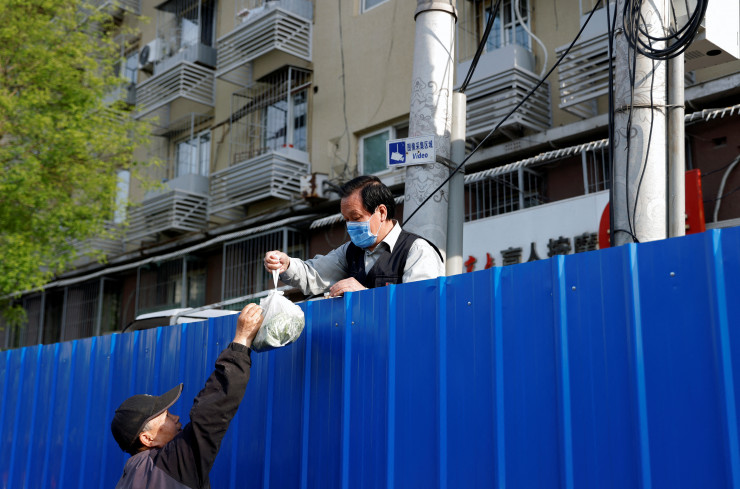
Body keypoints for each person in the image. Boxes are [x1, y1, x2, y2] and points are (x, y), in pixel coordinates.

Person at [110, 303, 264, 489]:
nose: (176, 418)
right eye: (167, 416)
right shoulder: (170, 464)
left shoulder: (129, 479)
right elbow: (209, 415)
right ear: (148, 439)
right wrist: (241, 341)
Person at [264, 175, 444, 297]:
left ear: (381, 212)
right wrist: (287, 264)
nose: (350, 225)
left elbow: (419, 305)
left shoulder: (417, 251)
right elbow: (315, 274)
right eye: (346, 220)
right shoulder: (350, 252)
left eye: (356, 218)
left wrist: (364, 295)